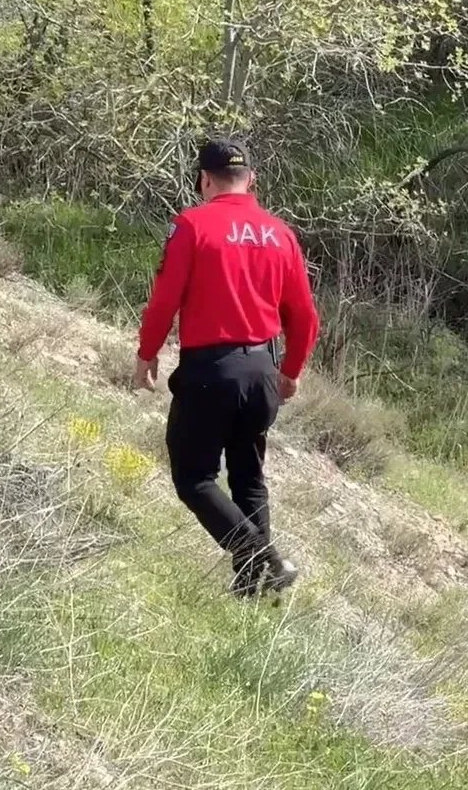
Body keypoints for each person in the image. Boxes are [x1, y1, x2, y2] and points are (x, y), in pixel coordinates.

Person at [133, 138, 320, 598]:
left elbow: (164, 300)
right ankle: (253, 593)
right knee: (248, 476)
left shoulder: (191, 225)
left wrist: (147, 352)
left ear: (204, 179)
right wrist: (291, 370)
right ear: (251, 179)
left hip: (211, 371)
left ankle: (261, 558)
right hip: (263, 369)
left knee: (194, 477)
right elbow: (305, 316)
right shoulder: (281, 234)